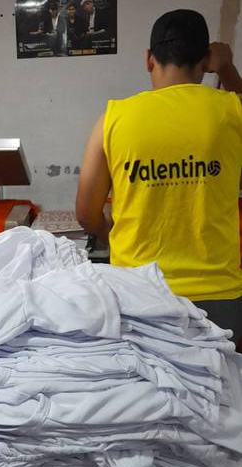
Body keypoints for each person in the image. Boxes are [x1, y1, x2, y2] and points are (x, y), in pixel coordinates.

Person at [76, 9, 242, 345]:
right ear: (205, 60)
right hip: (220, 304)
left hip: (137, 298)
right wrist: (227, 68)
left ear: (149, 59)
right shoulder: (232, 109)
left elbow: (86, 214)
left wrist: (110, 234)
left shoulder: (113, 118)